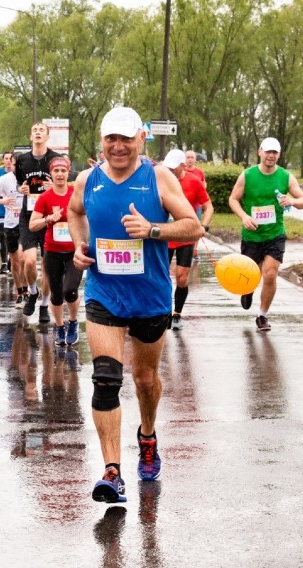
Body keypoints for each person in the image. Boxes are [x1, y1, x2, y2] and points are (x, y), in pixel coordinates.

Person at [67, 106, 203, 503]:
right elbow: (75, 213)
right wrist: (79, 243)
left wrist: (153, 229)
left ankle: (147, 434)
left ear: (141, 139)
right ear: (102, 140)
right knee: (106, 379)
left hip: (150, 296)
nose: (118, 146)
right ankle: (112, 471)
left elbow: (194, 225)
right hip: (104, 293)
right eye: (111, 138)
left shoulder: (157, 176)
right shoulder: (86, 179)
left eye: (126, 138)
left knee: (144, 380)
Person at [228, 137, 303, 331]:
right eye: (268, 152)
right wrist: (244, 216)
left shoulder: (285, 176)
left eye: (275, 152)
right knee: (251, 276)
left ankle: (262, 315)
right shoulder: (247, 175)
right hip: (252, 235)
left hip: (275, 233)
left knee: (270, 275)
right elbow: (233, 199)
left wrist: (291, 201)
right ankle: (247, 291)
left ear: (279, 155)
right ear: (260, 152)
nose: (271, 156)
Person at [30, 156, 83, 346]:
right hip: (52, 251)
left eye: (63, 171)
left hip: (73, 250)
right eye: (56, 171)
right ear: (51, 174)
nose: (60, 174)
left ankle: (73, 322)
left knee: (70, 290)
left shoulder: (76, 193)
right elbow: (32, 225)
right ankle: (60, 327)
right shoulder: (45, 198)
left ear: (68, 173)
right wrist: (48, 219)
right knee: (56, 294)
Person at [161, 149, 214, 330]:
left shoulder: (194, 182)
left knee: (182, 279)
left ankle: (177, 313)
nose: (169, 171)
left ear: (183, 166)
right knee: (161, 277)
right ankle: (163, 312)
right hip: (164, 235)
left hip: (185, 236)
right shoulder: (160, 180)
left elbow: (208, 207)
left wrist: (203, 227)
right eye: (167, 167)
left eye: (173, 168)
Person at [16, 123, 63, 323]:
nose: (37, 133)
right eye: (34, 130)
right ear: (30, 135)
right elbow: (20, 185)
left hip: (50, 216)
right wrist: (21, 190)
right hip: (30, 215)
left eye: (41, 130)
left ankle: (44, 304)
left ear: (47, 136)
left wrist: (55, 185)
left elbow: (66, 183)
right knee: (28, 261)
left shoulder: (55, 159)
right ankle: (33, 292)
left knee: (47, 266)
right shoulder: (22, 160)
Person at [0, 154, 28, 306]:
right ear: (12, 164)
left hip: (26, 224)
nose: (18, 167)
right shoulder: (5, 179)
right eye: (16, 164)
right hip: (11, 224)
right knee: (16, 262)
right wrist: (2, 201)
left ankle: (27, 288)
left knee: (24, 258)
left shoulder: (30, 178)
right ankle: (20, 291)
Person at [0, 152, 14, 274]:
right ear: (3, 161)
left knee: (12, 235)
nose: (8, 161)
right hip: (1, 206)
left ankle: (12, 258)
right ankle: (4, 262)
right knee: (2, 234)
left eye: (10, 159)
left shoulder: (18, 173)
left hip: (13, 209)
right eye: (6, 158)